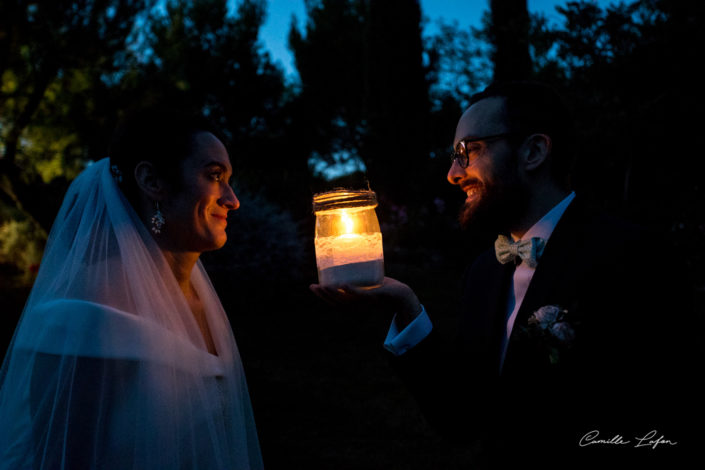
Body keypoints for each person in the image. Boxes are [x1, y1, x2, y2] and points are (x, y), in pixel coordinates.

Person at [311, 81, 702, 469]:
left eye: (469, 151)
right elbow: (461, 420)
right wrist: (406, 306)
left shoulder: (632, 258)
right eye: (453, 155)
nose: (452, 173)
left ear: (533, 151)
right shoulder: (484, 273)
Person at [0, 108, 264, 469]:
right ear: (152, 181)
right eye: (214, 175)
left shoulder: (204, 302)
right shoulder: (85, 309)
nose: (232, 200)